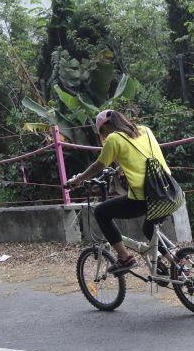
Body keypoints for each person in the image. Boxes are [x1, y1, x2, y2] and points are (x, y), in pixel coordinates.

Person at [66, 110, 171, 274]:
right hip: (169, 191)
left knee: (101, 212)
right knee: (148, 229)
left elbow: (99, 165)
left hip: (145, 198)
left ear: (106, 127)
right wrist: (122, 167)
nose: (103, 136)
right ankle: (179, 261)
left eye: (101, 132)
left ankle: (125, 258)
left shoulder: (114, 138)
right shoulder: (144, 130)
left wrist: (78, 179)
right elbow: (145, 157)